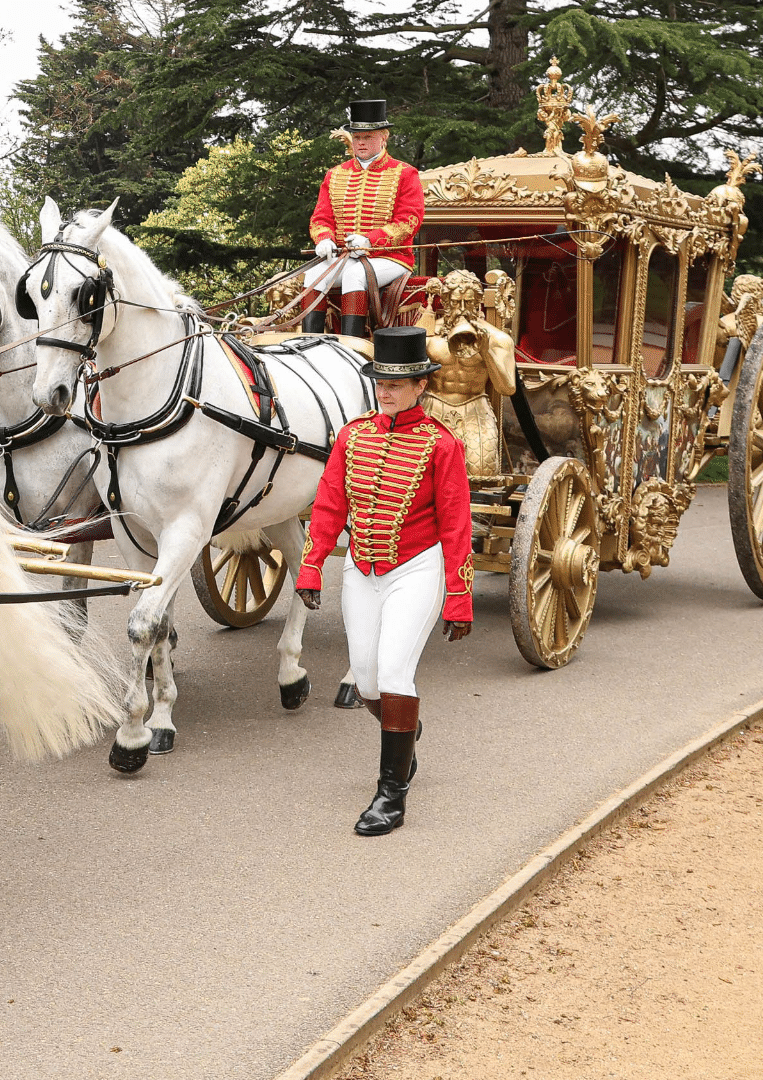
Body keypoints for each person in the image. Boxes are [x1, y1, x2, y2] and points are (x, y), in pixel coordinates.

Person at [294, 327, 473, 836]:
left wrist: (458, 600)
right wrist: (312, 566)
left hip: (416, 569)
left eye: (397, 383)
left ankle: (390, 795)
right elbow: (330, 504)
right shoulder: (353, 436)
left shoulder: (442, 445)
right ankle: (406, 730)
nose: (385, 391)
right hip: (361, 568)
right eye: (380, 382)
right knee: (367, 680)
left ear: (421, 386)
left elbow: (457, 526)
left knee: (395, 674)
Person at [298, 100, 425, 340]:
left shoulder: (405, 173)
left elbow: (410, 220)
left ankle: (352, 345)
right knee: (313, 274)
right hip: (345, 256)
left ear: (383, 138)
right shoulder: (335, 174)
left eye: (368, 137)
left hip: (391, 257)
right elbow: (321, 217)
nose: (362, 143)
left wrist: (370, 240)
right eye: (357, 138)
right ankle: (309, 344)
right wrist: (324, 239)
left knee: (354, 274)